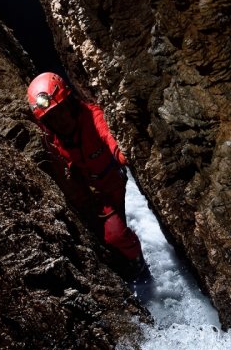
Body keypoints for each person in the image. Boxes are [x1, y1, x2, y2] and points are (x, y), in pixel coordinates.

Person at [27, 72, 151, 283]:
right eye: (52, 118)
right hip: (88, 193)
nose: (61, 121)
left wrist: (122, 153)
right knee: (98, 235)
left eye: (61, 111)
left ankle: (138, 264)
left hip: (110, 186)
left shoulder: (92, 118)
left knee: (115, 234)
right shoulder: (53, 139)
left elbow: (108, 136)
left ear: (70, 103)